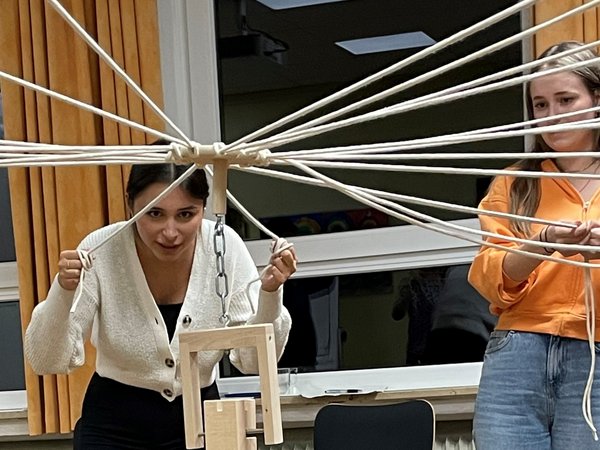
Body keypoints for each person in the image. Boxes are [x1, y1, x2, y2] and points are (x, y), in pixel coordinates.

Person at [24, 162, 297, 449]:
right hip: (113, 423)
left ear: (204, 208)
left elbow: (254, 361)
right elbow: (46, 359)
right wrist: (63, 290)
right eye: (154, 213)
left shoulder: (224, 246)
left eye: (185, 215)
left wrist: (270, 293)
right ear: (130, 205)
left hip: (201, 419)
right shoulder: (102, 248)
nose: (170, 232)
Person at [468, 41, 600, 449]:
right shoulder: (515, 182)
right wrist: (542, 243)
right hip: (517, 353)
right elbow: (490, 280)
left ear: (597, 99)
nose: (552, 116)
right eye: (540, 105)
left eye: (565, 99)